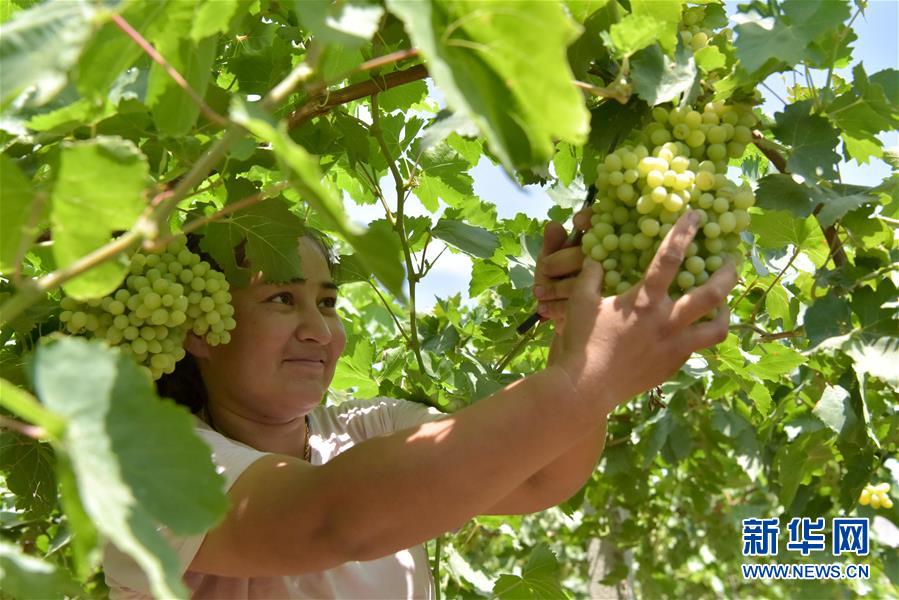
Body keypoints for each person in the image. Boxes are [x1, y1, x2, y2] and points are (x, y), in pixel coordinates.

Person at [102, 208, 736, 599]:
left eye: (327, 302)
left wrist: (574, 332)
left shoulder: (368, 428)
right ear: (200, 330)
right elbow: (334, 520)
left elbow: (542, 473)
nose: (319, 331)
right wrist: (588, 378)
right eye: (280, 300)